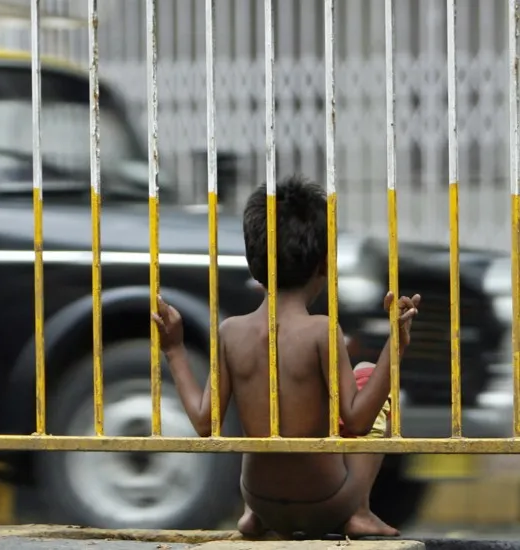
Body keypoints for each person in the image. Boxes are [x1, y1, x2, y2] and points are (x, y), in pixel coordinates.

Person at [152, 175, 420, 540]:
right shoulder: (321, 331)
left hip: (260, 499)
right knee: (369, 373)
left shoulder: (231, 332)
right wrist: (395, 347)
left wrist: (174, 349)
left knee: (272, 416)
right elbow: (356, 422)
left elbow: (204, 423)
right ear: (325, 264)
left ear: (254, 265)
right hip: (328, 502)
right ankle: (358, 512)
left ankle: (255, 517)